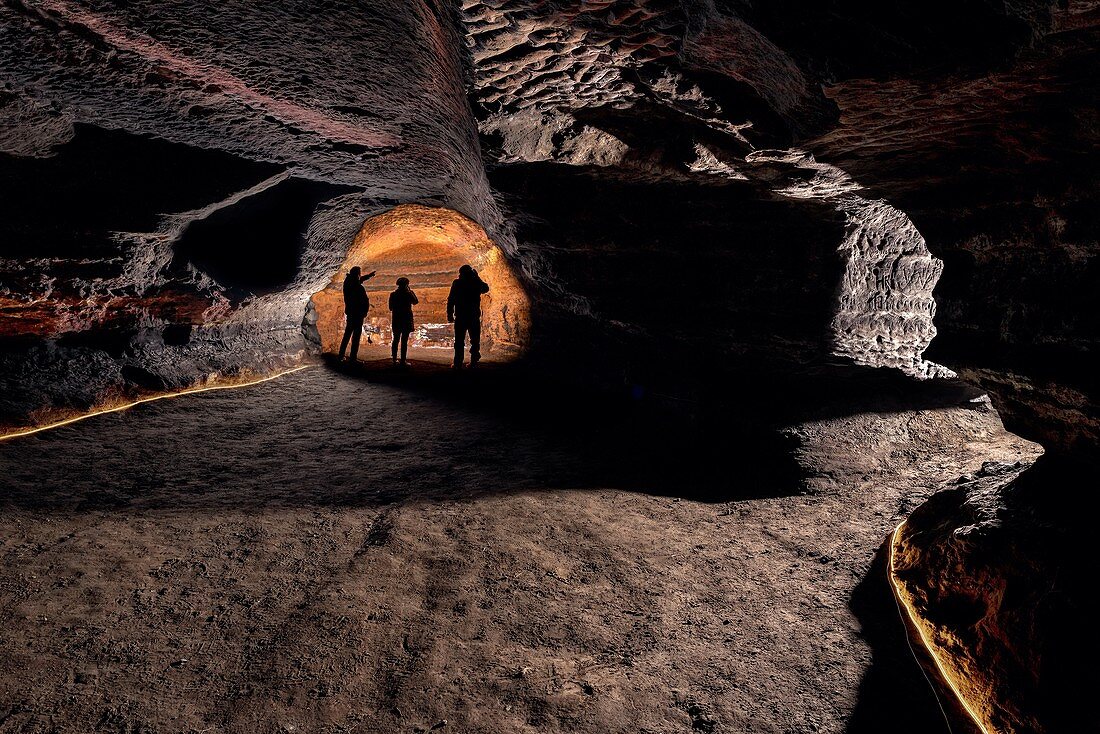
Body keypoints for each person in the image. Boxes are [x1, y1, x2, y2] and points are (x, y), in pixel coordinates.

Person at [446, 264, 489, 368]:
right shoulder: (475, 283)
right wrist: (477, 277)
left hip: (461, 316)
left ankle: (457, 363)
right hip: (473, 315)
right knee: (475, 340)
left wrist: (450, 314)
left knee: (459, 340)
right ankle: (474, 362)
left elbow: (451, 299)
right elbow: (485, 288)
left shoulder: (457, 283)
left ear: (461, 273)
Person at [338, 266, 375, 362]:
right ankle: (353, 358)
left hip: (351, 313)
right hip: (357, 314)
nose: (360, 275)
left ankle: (341, 355)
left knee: (347, 334)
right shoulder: (357, 287)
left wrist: (368, 276)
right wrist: (364, 311)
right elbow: (363, 299)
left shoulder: (348, 282)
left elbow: (359, 280)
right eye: (359, 273)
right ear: (356, 274)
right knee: (356, 337)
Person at [388, 277, 418, 365]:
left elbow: (390, 308)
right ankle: (403, 360)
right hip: (406, 319)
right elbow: (415, 301)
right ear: (407, 285)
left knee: (396, 339)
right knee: (404, 340)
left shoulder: (393, 295)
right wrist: (411, 291)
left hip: (396, 319)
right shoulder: (408, 294)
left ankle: (394, 359)